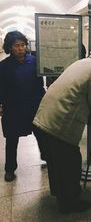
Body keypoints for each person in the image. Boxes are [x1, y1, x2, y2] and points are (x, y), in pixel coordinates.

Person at [33, 39, 91, 214]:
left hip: (44, 117)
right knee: (70, 163)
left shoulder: (82, 62)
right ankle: (69, 203)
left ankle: (61, 195)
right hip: (60, 123)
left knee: (57, 163)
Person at [0, 31, 46, 182]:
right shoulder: (4, 66)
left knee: (41, 133)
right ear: (10, 48)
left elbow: (40, 84)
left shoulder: (34, 61)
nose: (20, 49)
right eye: (16, 46)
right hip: (13, 107)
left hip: (34, 105)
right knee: (12, 139)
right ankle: (10, 169)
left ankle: (46, 157)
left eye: (23, 45)